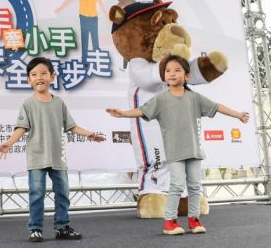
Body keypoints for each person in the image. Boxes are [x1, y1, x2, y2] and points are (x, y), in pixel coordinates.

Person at [106, 54, 249, 236]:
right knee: (176, 186)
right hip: (174, 152)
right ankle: (170, 222)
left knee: (195, 186)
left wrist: (238, 115)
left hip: (194, 151)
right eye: (168, 71)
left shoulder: (194, 98)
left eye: (177, 70)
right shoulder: (160, 99)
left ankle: (194, 220)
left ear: (186, 76)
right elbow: (141, 111)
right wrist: (122, 113)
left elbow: (217, 106)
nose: (172, 74)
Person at [0, 57, 105, 242]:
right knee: (36, 194)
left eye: (44, 73)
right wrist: (9, 143)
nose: (39, 77)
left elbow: (71, 126)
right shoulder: (28, 104)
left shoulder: (59, 103)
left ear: (52, 77)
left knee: (63, 193)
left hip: (57, 157)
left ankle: (62, 227)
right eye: (34, 74)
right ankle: (35, 228)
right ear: (28, 79)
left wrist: (89, 134)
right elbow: (21, 128)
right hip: (37, 157)